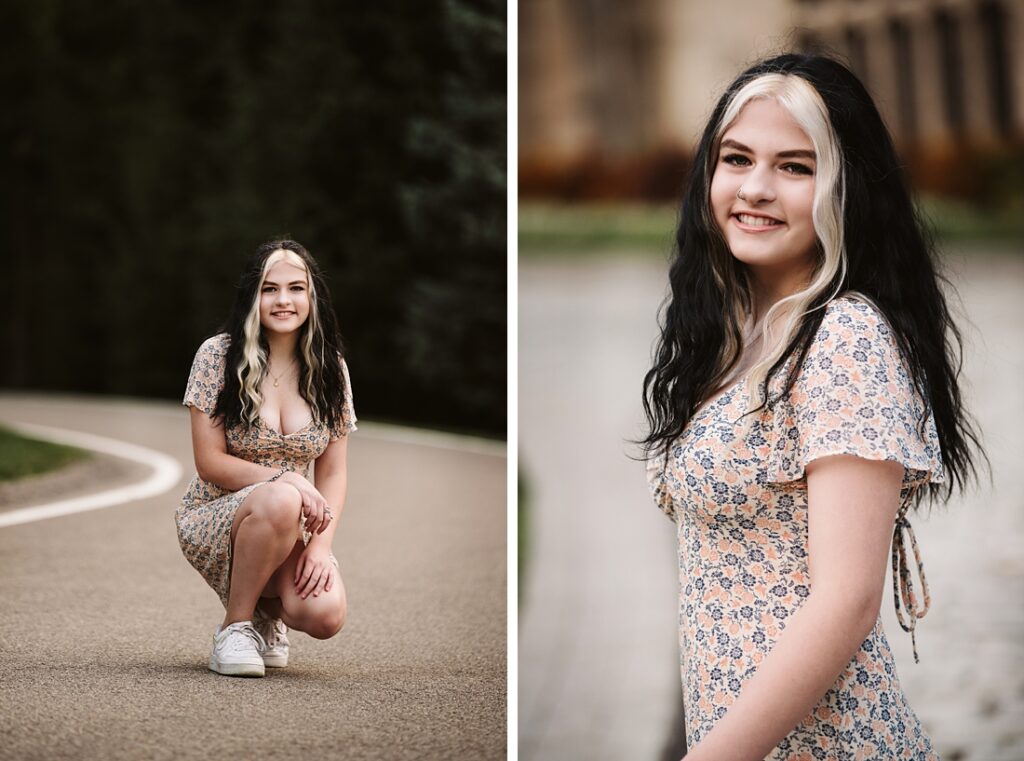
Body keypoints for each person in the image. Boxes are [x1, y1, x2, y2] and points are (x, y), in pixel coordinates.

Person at [642, 54, 984, 759]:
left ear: (846, 187)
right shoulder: (736, 338)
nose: (756, 188)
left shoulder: (845, 337)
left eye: (795, 167)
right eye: (736, 158)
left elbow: (846, 603)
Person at [176, 239, 356, 678]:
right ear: (252, 296)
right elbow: (209, 462)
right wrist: (287, 479)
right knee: (280, 498)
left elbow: (333, 472)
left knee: (326, 614)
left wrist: (320, 547)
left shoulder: (331, 369)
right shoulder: (216, 356)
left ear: (312, 297)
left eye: (296, 288)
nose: (283, 300)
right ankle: (234, 628)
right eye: (269, 288)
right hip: (218, 510)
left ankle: (266, 618)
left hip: (290, 521)